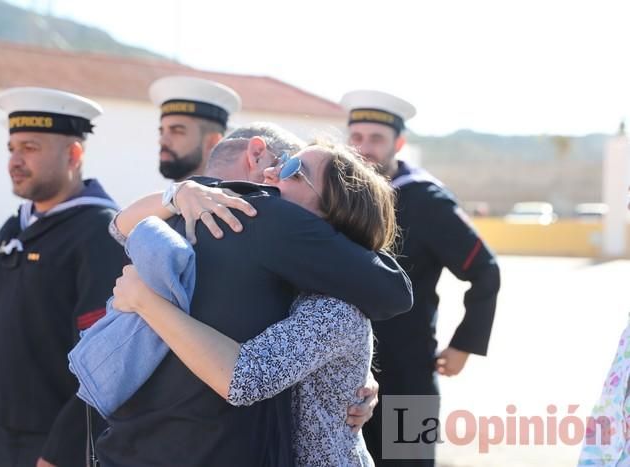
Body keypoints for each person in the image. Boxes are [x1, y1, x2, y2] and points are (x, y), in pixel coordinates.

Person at [94, 124, 413, 467]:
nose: (272, 172)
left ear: (328, 216)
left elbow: (246, 377)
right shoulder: (284, 275)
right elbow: (119, 226)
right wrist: (179, 193)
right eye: (284, 160)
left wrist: (144, 302)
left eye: (293, 170)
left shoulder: (334, 307)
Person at [0, 87, 127, 467]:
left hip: (55, 446)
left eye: (30, 148)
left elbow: (102, 363)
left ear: (74, 154)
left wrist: (61, 451)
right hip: (0, 439)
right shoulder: (10, 231)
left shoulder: (100, 233)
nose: (15, 161)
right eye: (12, 148)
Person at [340, 90, 501, 466]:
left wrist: (464, 344)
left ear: (399, 142)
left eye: (376, 139)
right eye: (356, 138)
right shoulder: (336, 197)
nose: (364, 149)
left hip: (408, 377)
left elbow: (485, 269)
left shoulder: (426, 200)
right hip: (347, 378)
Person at [149, 75, 241, 181]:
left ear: (213, 142)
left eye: (177, 131)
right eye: (162, 131)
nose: (162, 141)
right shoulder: (163, 197)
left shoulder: (229, 197)